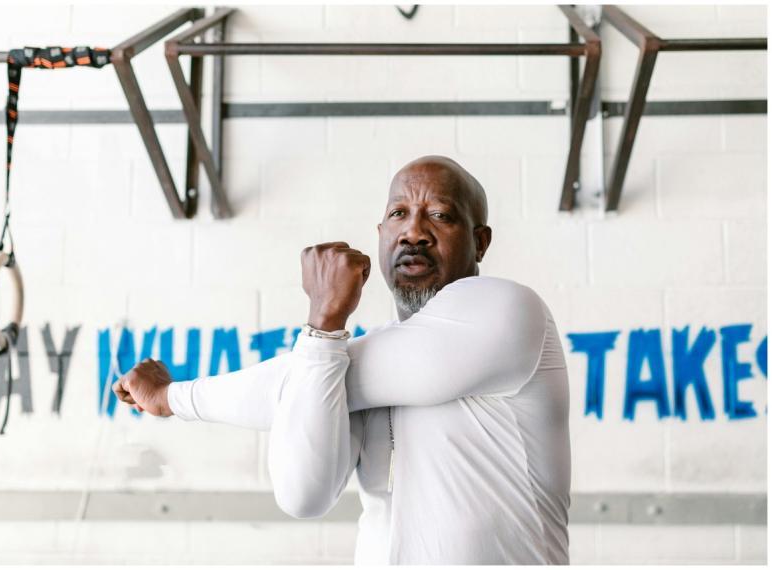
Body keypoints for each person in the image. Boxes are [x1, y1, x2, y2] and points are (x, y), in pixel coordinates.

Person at [113, 155, 571, 565]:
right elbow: (303, 495)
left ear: (481, 242)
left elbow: (297, 383)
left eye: (440, 215)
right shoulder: (339, 362)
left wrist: (173, 396)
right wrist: (323, 331)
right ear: (380, 236)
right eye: (399, 214)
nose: (414, 231)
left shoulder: (507, 309)